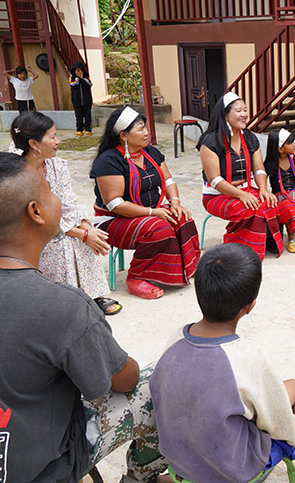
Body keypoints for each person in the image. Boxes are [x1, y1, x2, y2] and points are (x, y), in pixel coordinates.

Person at [0, 152, 166, 482]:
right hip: (46, 467)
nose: (57, 195)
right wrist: (115, 357)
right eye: (49, 189)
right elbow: (124, 380)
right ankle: (140, 478)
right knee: (160, 384)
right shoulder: (61, 305)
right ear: (35, 212)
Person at [150, 243, 295, 482]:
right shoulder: (249, 356)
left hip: (180, 463)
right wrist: (293, 434)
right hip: (235, 471)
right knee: (294, 389)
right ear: (250, 305)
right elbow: (277, 423)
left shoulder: (176, 337)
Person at [10, 111, 121, 315]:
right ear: (34, 144)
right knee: (63, 243)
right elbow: (33, 216)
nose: (58, 141)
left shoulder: (56, 165)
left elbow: (69, 202)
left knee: (85, 234)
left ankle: (92, 294)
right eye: (52, 136)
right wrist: (82, 234)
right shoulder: (15, 170)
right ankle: (64, 298)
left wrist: (86, 228)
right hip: (27, 229)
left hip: (54, 221)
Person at [90, 106, 200, 299]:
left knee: (183, 218)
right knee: (158, 228)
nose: (146, 133)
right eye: (140, 129)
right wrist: (152, 213)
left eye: (145, 127)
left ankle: (184, 269)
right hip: (114, 221)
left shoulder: (150, 153)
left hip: (151, 212)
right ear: (124, 136)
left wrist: (175, 202)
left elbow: (168, 180)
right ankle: (135, 277)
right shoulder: (109, 161)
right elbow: (115, 204)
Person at [198, 92, 283, 259]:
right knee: (246, 208)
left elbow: (259, 169)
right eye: (238, 111)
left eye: (245, 110)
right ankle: (234, 249)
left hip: (245, 189)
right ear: (225, 115)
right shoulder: (210, 142)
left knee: (270, 201)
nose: (244, 114)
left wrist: (263, 189)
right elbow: (215, 180)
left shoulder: (250, 138)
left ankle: (264, 242)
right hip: (217, 196)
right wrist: (241, 194)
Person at [70, 61, 93, 136]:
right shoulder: (72, 78)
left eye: (80, 70)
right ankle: (79, 130)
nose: (79, 72)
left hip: (86, 101)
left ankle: (88, 129)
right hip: (77, 101)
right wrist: (78, 78)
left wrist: (82, 78)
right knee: (78, 116)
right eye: (77, 70)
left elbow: (89, 85)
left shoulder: (86, 79)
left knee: (87, 116)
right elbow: (74, 84)